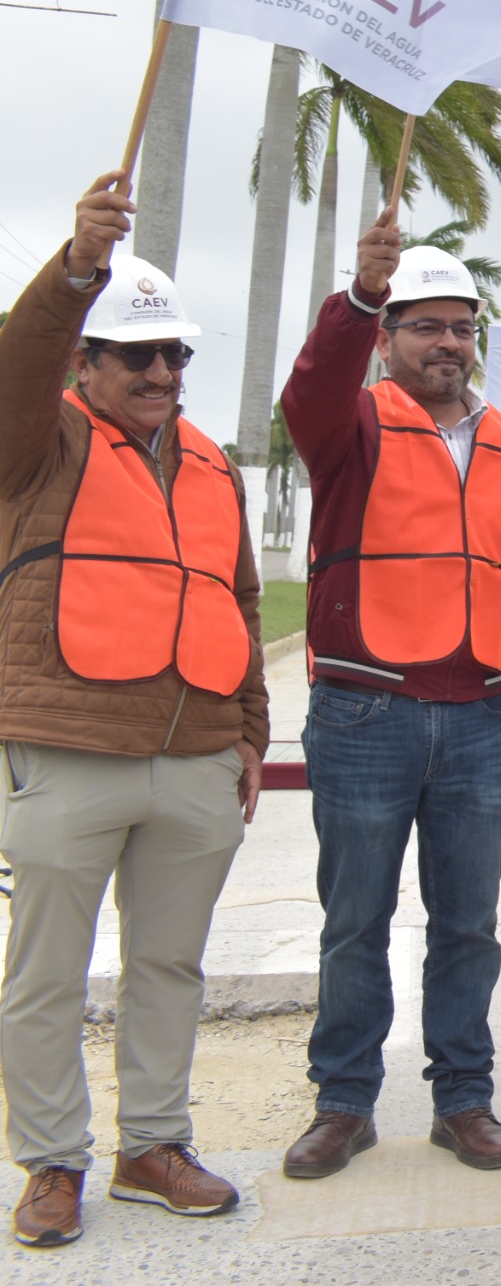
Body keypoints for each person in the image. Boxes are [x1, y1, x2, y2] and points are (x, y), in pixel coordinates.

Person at [0, 176, 266, 1247]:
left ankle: (152, 1141)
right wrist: (75, 271)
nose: (163, 373)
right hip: (66, 747)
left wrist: (249, 730)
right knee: (46, 970)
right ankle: (52, 1158)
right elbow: (18, 364)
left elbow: (239, 598)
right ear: (87, 363)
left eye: (176, 356)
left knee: (169, 963)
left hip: (196, 755)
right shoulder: (37, 441)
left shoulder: (211, 463)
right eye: (138, 356)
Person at [280, 209, 501, 1178]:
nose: (448, 342)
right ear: (388, 338)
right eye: (426, 325)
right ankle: (344, 1101)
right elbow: (307, 387)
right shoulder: (348, 422)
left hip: (477, 714)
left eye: (461, 325)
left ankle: (463, 1098)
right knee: (355, 918)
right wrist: (357, 292)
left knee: (467, 923)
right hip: (364, 712)